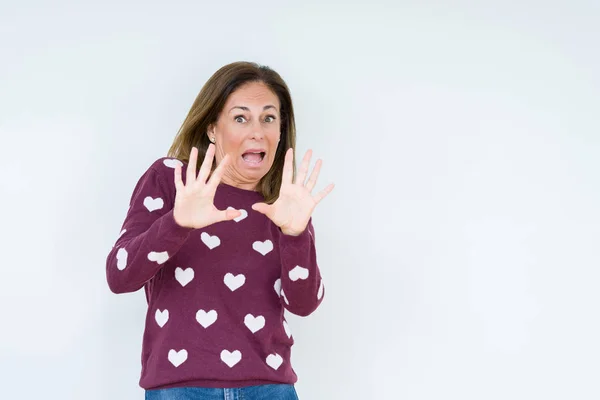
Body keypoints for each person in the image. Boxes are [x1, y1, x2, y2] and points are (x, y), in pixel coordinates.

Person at [105, 61, 334, 400]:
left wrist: (295, 233)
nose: (257, 131)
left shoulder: (284, 204)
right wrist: (177, 222)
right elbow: (120, 275)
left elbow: (303, 304)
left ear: (281, 131)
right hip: (180, 390)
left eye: (269, 118)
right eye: (241, 117)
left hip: (269, 389)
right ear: (213, 128)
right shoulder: (172, 179)